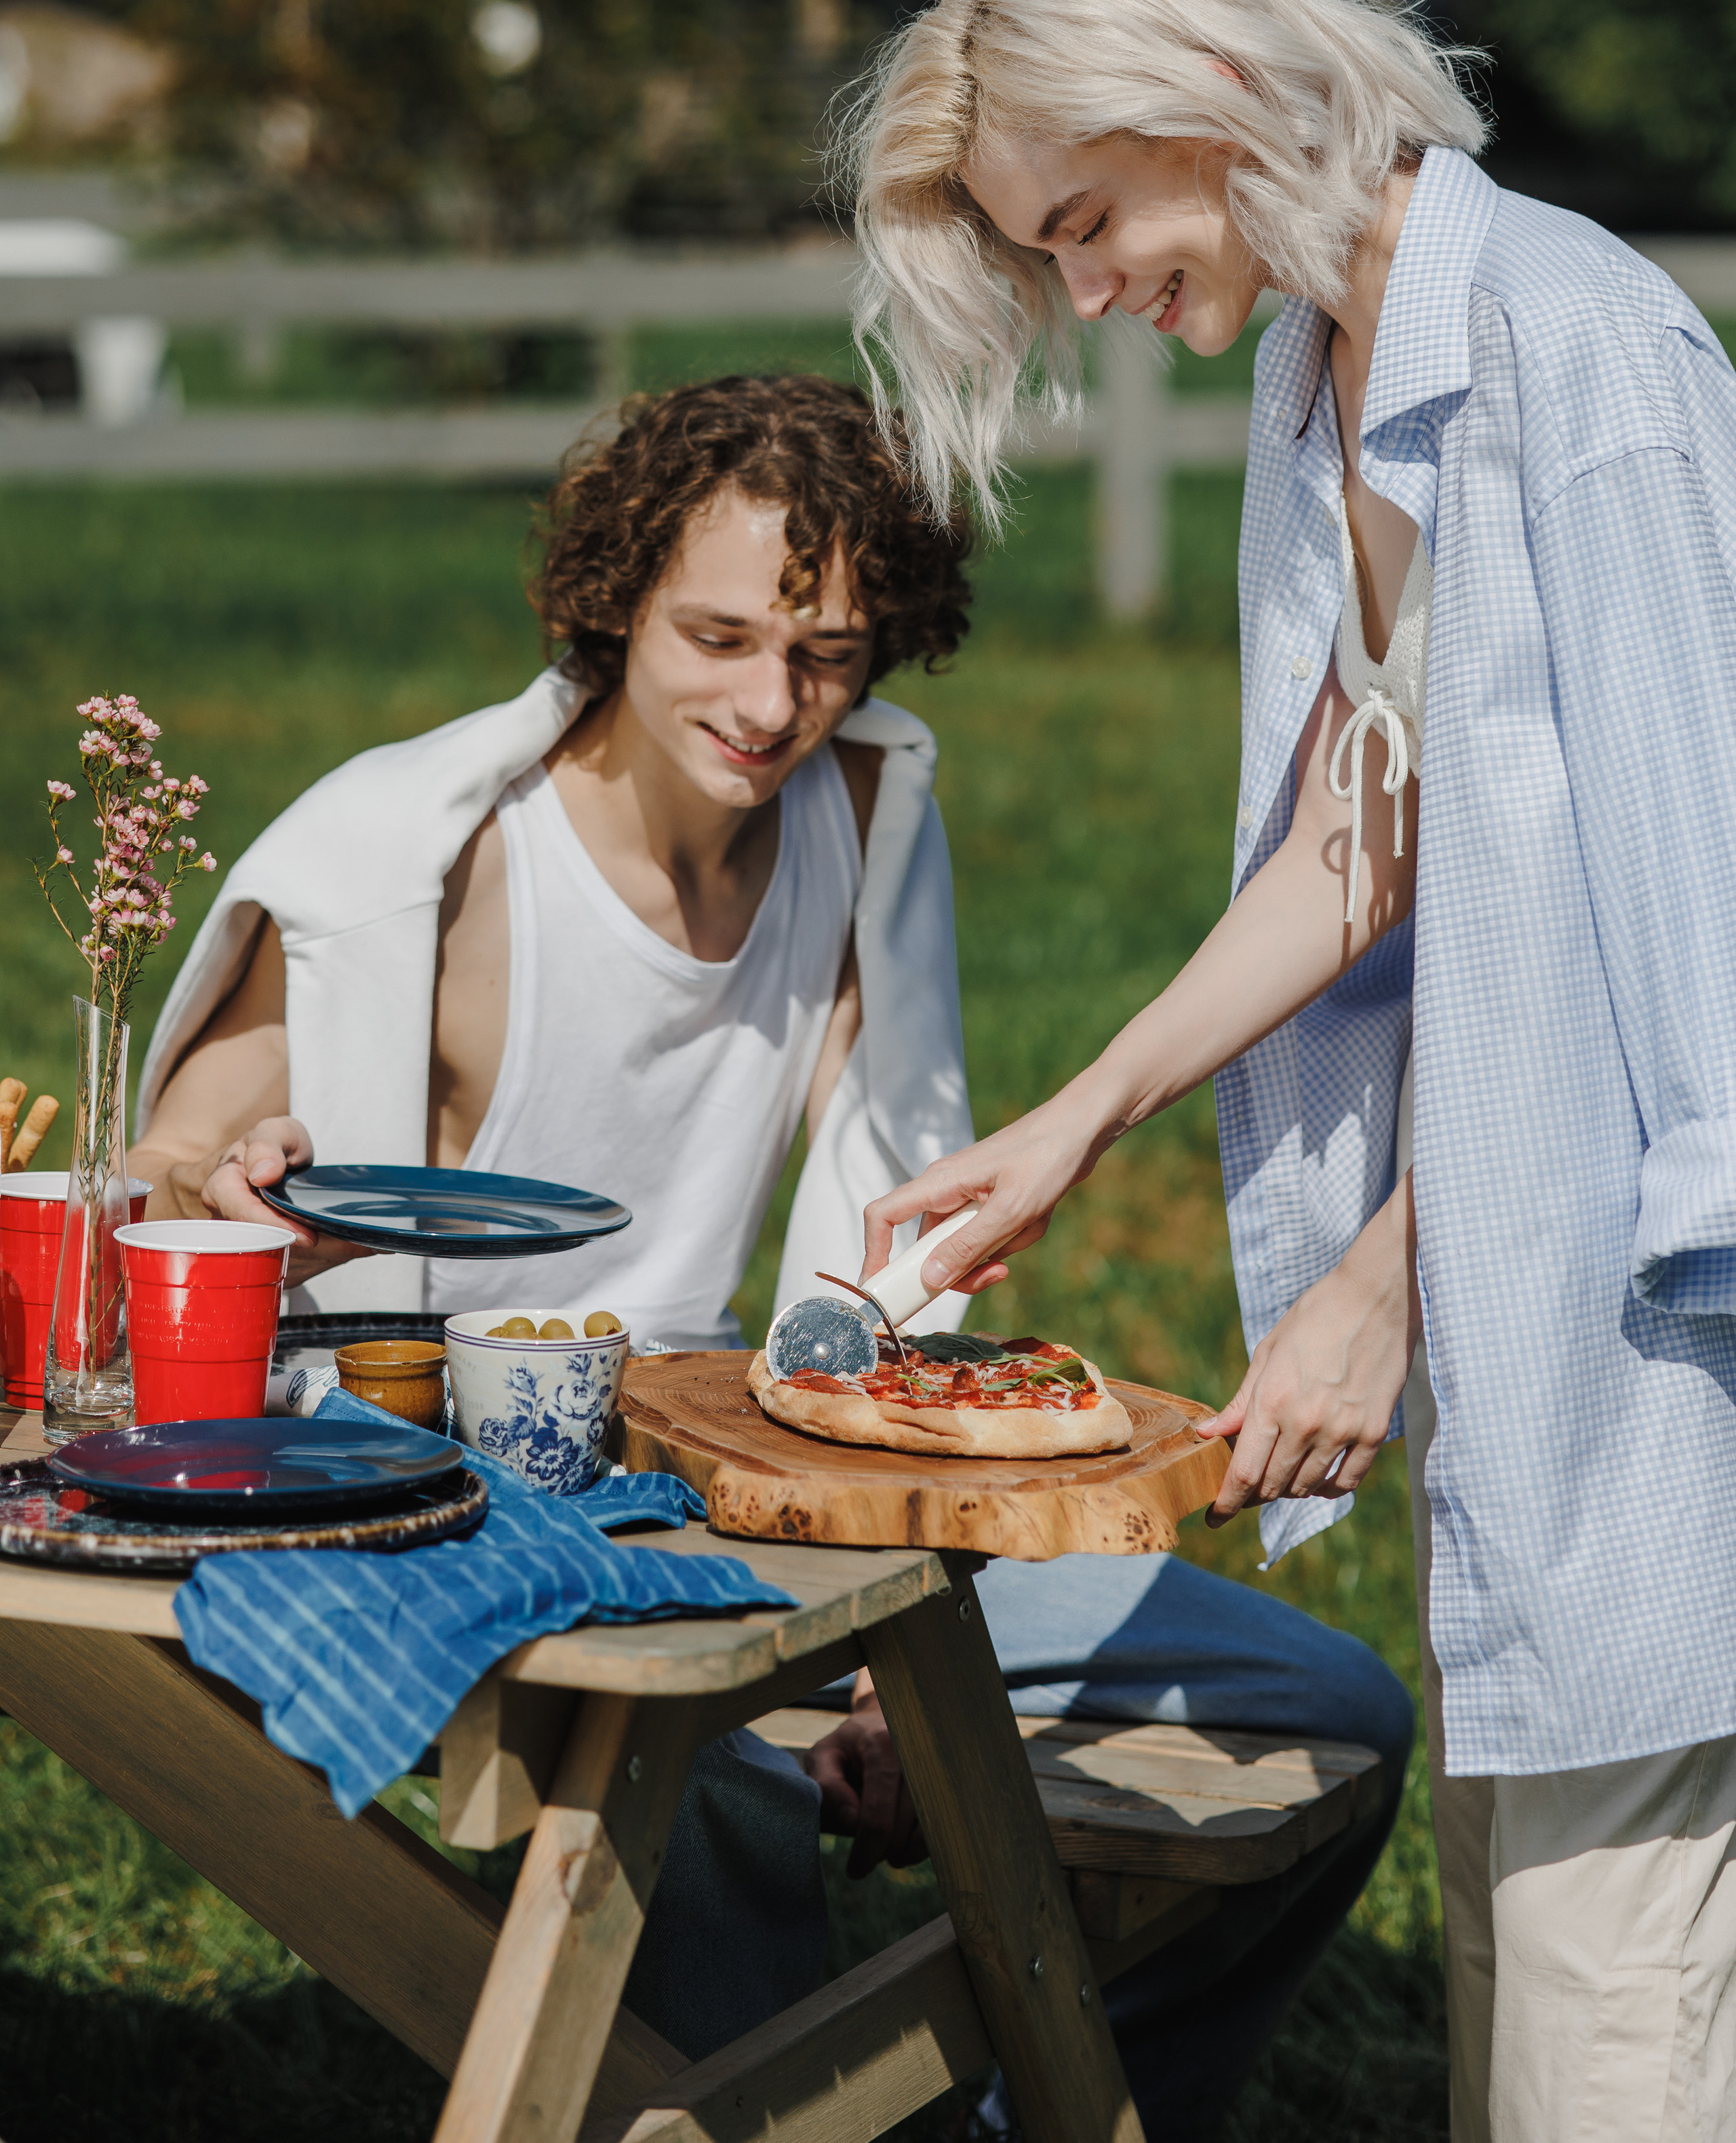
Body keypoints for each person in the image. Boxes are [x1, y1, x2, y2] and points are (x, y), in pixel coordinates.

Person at [136, 371, 1410, 2119]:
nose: (768, 702)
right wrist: (233, 1167)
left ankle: (1029, 2104)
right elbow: (182, 1147)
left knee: (1330, 1703)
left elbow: (885, 1232)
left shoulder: (863, 820)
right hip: (456, 1486)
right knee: (698, 1757)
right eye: (718, 635)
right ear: (617, 606)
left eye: (823, 652)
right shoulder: (427, 861)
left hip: (741, 1459)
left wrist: (903, 1653)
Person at [842, 0, 1736, 2143]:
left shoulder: (1586, 351)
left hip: (1664, 1364)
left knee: (1615, 2054)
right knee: (1525, 2029)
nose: (1086, 288)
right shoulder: (1323, 374)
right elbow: (1373, 821)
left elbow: (1699, 951)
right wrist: (1088, 1113)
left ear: (1214, 89)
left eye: (1084, 217)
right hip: (1533, 1387)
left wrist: (1386, 1278)